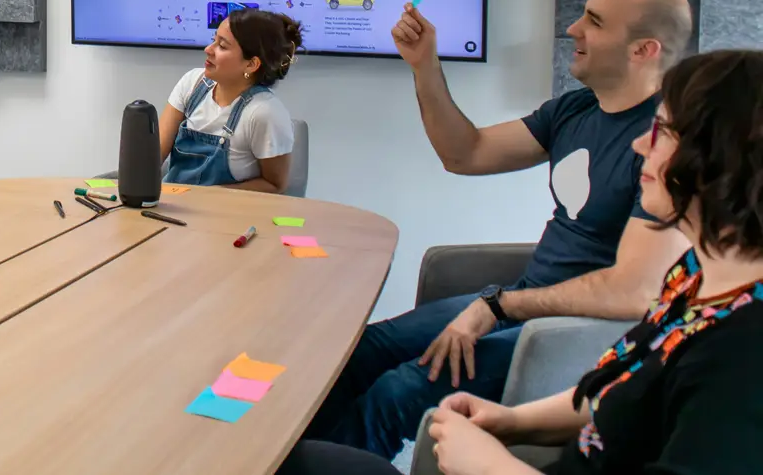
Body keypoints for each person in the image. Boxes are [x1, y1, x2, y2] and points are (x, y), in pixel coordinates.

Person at [279, 49, 763, 475]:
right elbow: (619, 389)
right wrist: (515, 421)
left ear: (725, 158)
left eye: (663, 133)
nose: (641, 145)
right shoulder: (691, 278)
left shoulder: (741, 352)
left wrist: (489, 465)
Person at [301, 0, 695, 458]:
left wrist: (497, 307)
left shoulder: (666, 145)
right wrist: (425, 66)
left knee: (398, 391)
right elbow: (465, 153)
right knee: (363, 350)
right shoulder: (575, 110)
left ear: (643, 50)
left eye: (593, 22)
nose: (572, 28)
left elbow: (636, 291)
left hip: (575, 336)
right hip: (523, 304)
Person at [159, 8, 301, 193]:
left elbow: (275, 185)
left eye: (222, 46)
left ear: (251, 64)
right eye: (213, 40)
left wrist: (206, 197)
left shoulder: (264, 112)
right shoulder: (192, 83)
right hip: (173, 202)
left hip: (224, 209)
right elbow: (154, 155)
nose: (208, 50)